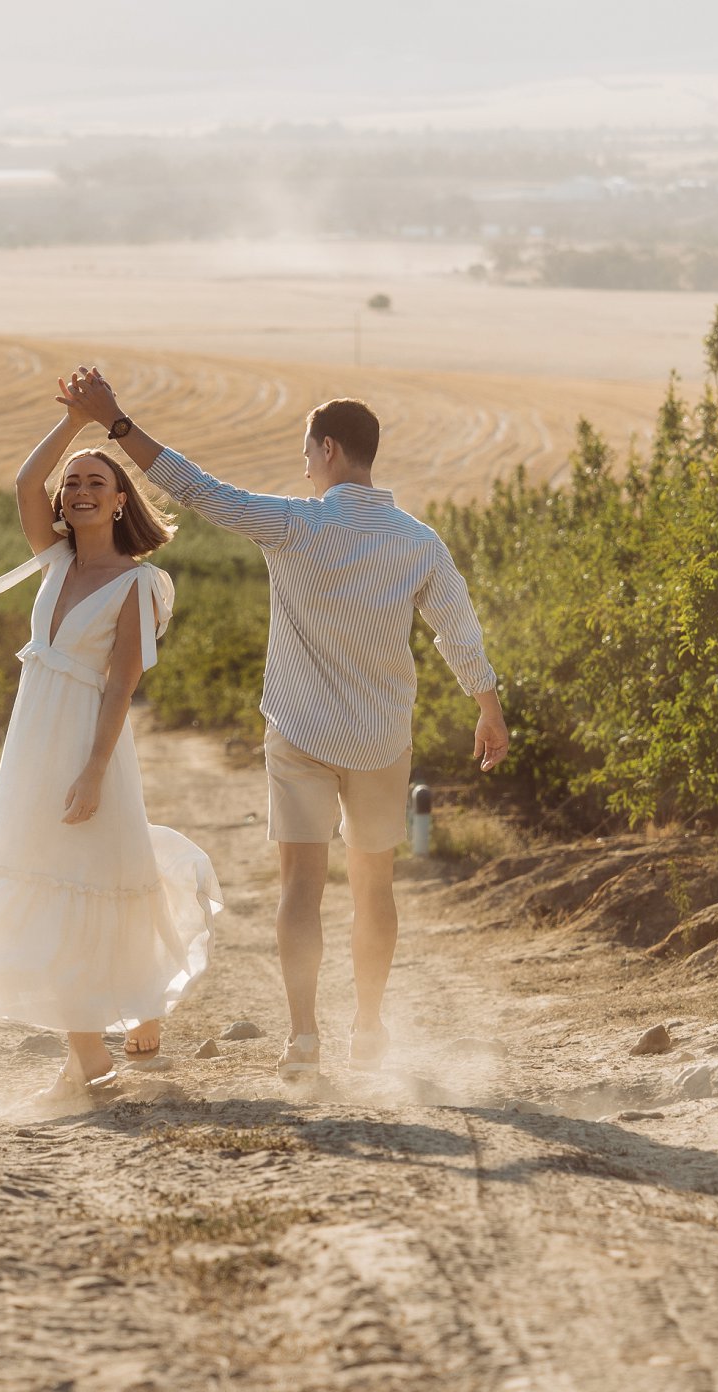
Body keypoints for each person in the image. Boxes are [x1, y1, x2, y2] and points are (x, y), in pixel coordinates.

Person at [58, 367, 508, 1077]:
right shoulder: (419, 540)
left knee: (301, 885)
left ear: (328, 449)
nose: (302, 465)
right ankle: (367, 1025)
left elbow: (197, 489)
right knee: (374, 884)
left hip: (299, 731)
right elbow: (456, 627)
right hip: (382, 736)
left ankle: (303, 1038)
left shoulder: (294, 522)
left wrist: (117, 423)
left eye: (305, 451)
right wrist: (487, 703)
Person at [0, 388, 222, 1100]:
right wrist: (73, 424)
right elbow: (21, 484)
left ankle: (90, 1056)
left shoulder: (136, 584)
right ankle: (105, 1041)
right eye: (72, 482)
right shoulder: (54, 560)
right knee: (46, 877)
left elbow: (121, 684)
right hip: (31, 741)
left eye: (94, 483)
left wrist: (95, 770)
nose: (76, 492)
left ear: (121, 502)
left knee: (85, 883)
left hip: (83, 743)